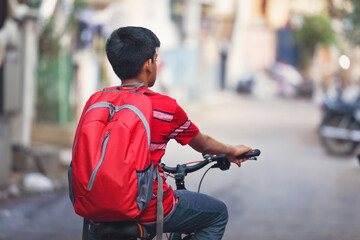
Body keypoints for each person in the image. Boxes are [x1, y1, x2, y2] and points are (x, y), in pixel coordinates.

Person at [89, 26, 252, 240]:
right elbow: (203, 144)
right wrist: (231, 150)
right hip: (148, 208)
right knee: (217, 214)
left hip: (97, 209)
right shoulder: (163, 106)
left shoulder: (97, 101)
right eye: (156, 59)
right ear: (149, 64)